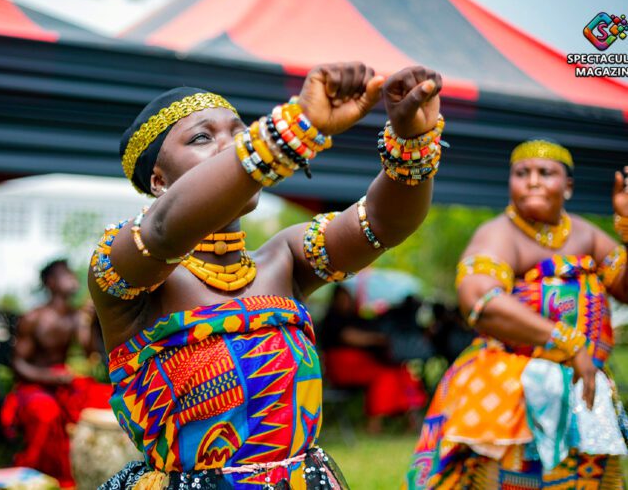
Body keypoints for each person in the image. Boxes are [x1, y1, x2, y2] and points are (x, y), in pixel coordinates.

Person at [90, 62, 446, 489]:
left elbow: (381, 226)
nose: (230, 145)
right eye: (202, 138)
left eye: (239, 132)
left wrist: (412, 140)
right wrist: (294, 127)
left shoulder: (286, 257)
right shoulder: (124, 267)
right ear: (159, 180)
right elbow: (164, 231)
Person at [405, 144, 628, 488]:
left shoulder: (585, 234)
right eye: (522, 174)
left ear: (568, 187)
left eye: (546, 173)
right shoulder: (500, 234)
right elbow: (481, 301)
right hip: (508, 388)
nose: (533, 182)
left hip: (581, 387)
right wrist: (567, 343)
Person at [0, 259, 112, 488]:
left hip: (62, 382)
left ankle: (99, 466)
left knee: (107, 397)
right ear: (51, 282)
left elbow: (90, 353)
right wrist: (51, 377)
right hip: (33, 386)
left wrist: (89, 322)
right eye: (66, 274)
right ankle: (36, 469)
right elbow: (18, 365)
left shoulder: (75, 316)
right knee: (46, 411)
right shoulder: (34, 318)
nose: (72, 278)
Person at [320, 285, 426, 435]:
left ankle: (412, 421)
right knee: (384, 376)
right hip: (344, 367)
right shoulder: (333, 319)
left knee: (400, 372)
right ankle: (374, 425)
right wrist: (377, 339)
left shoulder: (357, 317)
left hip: (363, 363)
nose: (346, 301)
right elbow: (349, 336)